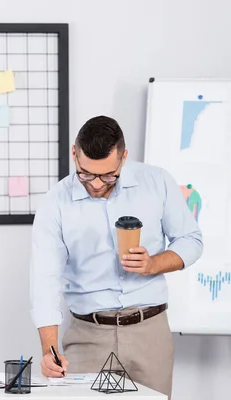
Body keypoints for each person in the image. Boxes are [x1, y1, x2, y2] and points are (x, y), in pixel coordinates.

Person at [30, 115, 202, 397]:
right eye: (86, 174)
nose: (97, 184)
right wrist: (49, 351)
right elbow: (44, 281)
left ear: (124, 157)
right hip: (88, 336)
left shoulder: (157, 182)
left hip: (150, 332)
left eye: (109, 175)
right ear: (74, 154)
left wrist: (152, 264)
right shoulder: (54, 203)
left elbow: (191, 240)